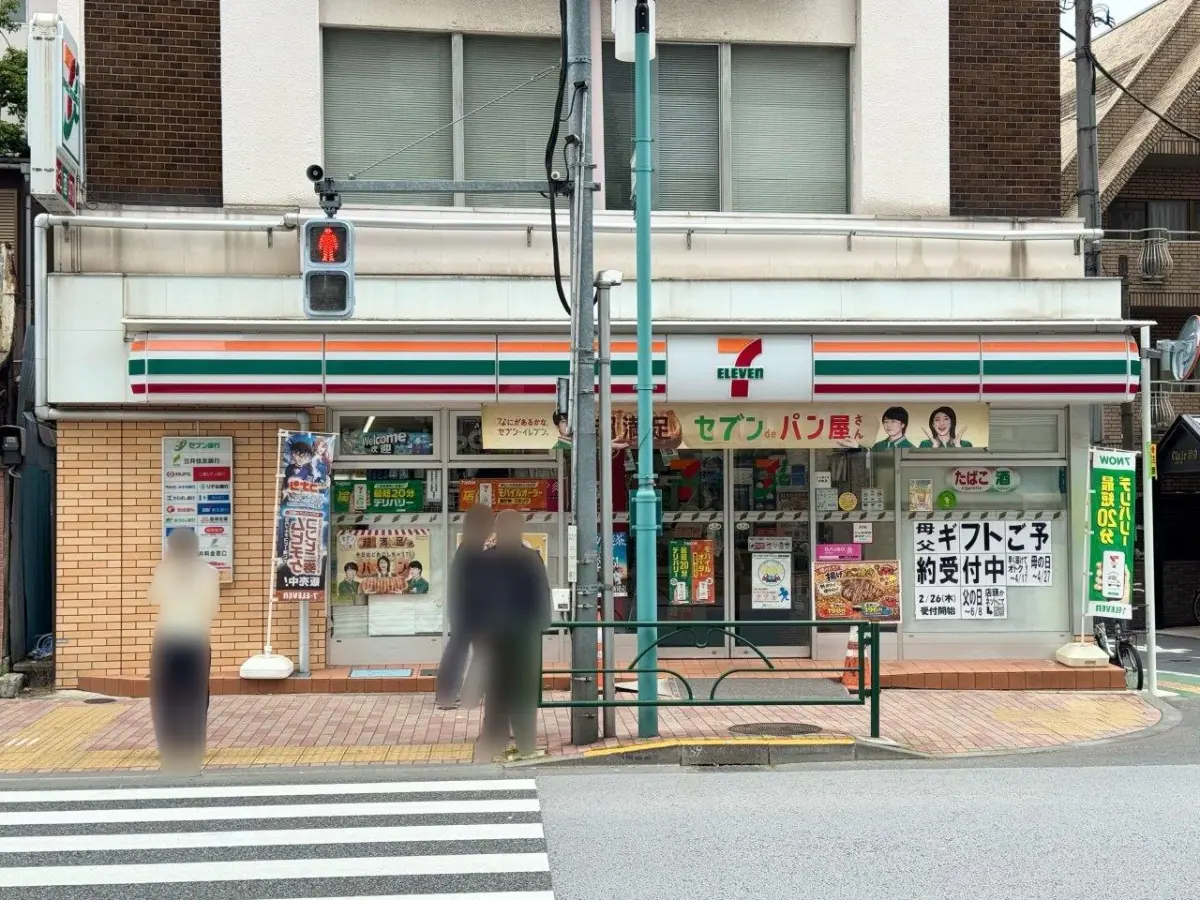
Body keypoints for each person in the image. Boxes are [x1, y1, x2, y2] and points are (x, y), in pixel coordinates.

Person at [477, 509, 553, 760]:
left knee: (507, 688)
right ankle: (508, 742)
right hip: (507, 635)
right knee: (508, 689)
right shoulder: (518, 559)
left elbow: (541, 596)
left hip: (510, 633)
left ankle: (508, 741)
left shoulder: (519, 559)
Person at [148, 527, 220, 775]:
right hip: (196, 639)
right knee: (197, 693)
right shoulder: (210, 572)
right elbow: (213, 607)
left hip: (167, 640)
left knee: (166, 694)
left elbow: (153, 598)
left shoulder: (164, 571)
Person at [436, 503, 494, 709]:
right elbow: (477, 582)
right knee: (466, 651)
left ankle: (457, 693)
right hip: (470, 610)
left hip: (465, 608)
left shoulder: (470, 545)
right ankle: (450, 694)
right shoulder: (473, 546)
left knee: (469, 651)